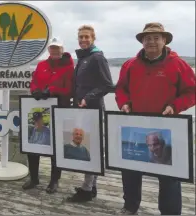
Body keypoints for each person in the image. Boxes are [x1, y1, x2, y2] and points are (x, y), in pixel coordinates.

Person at [115, 22, 195, 215]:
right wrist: (124, 103)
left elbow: (191, 91)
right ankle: (130, 206)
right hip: (135, 125)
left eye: (156, 37)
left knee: (169, 174)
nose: (151, 41)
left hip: (166, 128)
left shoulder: (178, 64)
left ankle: (169, 212)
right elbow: (120, 89)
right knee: (131, 168)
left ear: (164, 40)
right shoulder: (129, 65)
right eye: (147, 38)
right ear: (142, 41)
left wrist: (174, 106)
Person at [67, 25, 114, 203]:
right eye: (80, 37)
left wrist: (88, 97)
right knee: (89, 145)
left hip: (93, 108)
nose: (83, 40)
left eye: (87, 37)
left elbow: (108, 85)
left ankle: (87, 189)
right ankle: (91, 186)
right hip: (83, 109)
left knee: (92, 149)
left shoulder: (97, 57)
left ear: (93, 38)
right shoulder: (83, 58)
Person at [23, 37, 74, 194]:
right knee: (33, 142)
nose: (54, 51)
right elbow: (34, 81)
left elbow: (70, 90)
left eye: (57, 48)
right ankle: (34, 178)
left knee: (56, 146)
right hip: (39, 108)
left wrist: (51, 91)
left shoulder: (69, 67)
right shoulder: (41, 65)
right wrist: (35, 91)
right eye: (52, 48)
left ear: (62, 50)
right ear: (49, 50)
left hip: (59, 109)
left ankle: (54, 180)